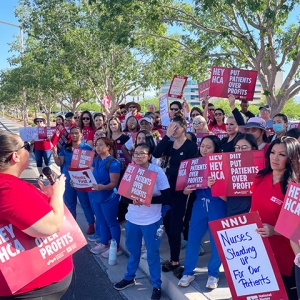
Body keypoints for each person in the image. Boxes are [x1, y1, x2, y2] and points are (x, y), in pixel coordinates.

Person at [0, 131, 72, 299]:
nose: (30, 150)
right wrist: (58, 194)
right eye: (27, 146)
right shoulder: (8, 188)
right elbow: (52, 225)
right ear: (15, 157)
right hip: (33, 287)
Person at [113, 143, 170, 300]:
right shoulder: (130, 170)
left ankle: (156, 285)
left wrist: (148, 199)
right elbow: (123, 197)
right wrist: (133, 200)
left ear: (149, 156)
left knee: (152, 253)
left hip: (152, 220)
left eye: (142, 153)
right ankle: (129, 277)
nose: (138, 156)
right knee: (134, 251)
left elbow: (167, 197)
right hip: (133, 219)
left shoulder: (157, 172)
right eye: (135, 153)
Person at [251, 137, 298, 299]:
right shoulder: (260, 177)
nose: (275, 158)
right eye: (272, 152)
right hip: (259, 250)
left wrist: (274, 231)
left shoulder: (295, 187)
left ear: (291, 158)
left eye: (281, 154)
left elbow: (297, 228)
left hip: (285, 254)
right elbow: (253, 208)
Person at [178, 135, 227, 289]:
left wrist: (215, 187)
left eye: (209, 147)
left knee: (216, 241)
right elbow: (184, 189)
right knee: (193, 239)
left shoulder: (223, 165)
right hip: (199, 205)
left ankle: (213, 274)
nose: (204, 150)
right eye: (203, 146)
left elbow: (227, 196)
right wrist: (187, 190)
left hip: (218, 205)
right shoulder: (194, 164)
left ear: (216, 149)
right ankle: (188, 272)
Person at [153, 111, 198, 273]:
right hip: (166, 188)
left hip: (181, 190)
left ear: (185, 127)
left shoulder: (191, 146)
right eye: (172, 127)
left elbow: (190, 169)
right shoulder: (169, 143)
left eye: (177, 127)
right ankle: (172, 259)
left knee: (175, 227)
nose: (174, 130)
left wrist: (168, 170)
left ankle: (175, 261)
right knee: (167, 222)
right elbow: (156, 153)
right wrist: (167, 136)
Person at [52, 126, 96, 235]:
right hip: (67, 179)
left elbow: (91, 165)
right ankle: (72, 225)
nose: (74, 135)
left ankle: (91, 224)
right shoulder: (65, 147)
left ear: (81, 134)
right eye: (72, 133)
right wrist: (54, 154)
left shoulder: (87, 148)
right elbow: (59, 163)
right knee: (69, 203)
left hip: (81, 180)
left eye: (77, 133)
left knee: (85, 203)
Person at [89, 137, 122, 258]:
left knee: (112, 223)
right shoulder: (96, 160)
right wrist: (77, 182)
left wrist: (101, 187)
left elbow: (114, 183)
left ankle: (116, 247)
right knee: (101, 221)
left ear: (108, 147)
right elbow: (89, 176)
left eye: (100, 145)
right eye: (96, 145)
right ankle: (104, 243)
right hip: (96, 196)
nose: (97, 147)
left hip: (109, 197)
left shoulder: (114, 163)